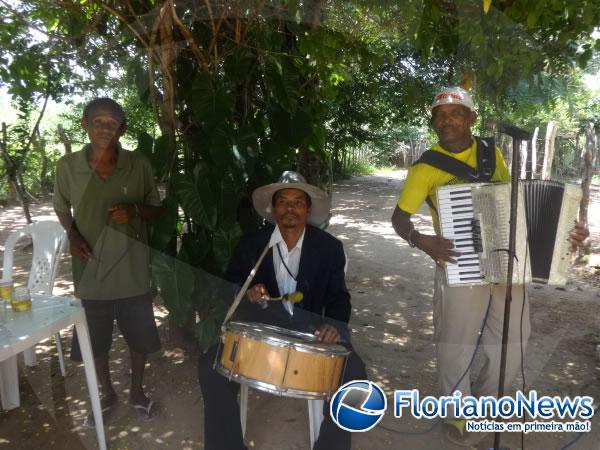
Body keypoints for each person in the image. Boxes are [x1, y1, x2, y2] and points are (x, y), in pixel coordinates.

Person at [391, 87, 590, 446]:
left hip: (504, 259)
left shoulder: (490, 152)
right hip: (458, 261)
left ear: (471, 119)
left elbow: (508, 200)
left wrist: (563, 233)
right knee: (455, 342)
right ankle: (457, 412)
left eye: (455, 113)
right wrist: (422, 241)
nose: (446, 120)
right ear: (433, 122)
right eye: (439, 114)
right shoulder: (425, 167)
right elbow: (399, 218)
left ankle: (488, 401)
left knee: (514, 337)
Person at [198, 171, 367, 450]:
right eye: (283, 202)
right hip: (260, 332)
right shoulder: (253, 244)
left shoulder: (329, 248)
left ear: (308, 209)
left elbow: (339, 297)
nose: (290, 208)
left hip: (311, 332)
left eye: (298, 202)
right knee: (209, 366)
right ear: (273, 208)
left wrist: (333, 326)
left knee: (355, 374)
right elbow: (229, 286)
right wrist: (248, 291)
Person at [53, 98, 163, 423]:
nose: (104, 128)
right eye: (97, 122)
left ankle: (137, 391)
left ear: (122, 129)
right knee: (96, 338)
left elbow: (156, 209)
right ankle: (106, 392)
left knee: (139, 334)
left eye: (112, 123)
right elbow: (61, 206)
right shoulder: (67, 166)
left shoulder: (138, 164)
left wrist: (134, 211)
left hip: (132, 269)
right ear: (84, 124)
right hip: (91, 269)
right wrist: (73, 235)